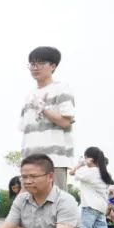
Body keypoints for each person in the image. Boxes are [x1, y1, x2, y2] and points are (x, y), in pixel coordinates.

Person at [20, 46, 75, 189]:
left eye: (40, 63)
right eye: (32, 64)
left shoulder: (61, 88)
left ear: (53, 66)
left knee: (55, 205)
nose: (35, 67)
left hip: (54, 160)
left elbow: (66, 122)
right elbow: (24, 130)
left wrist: (43, 109)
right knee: (28, 207)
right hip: (30, 161)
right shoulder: (29, 96)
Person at [71, 146, 114, 228]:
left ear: (90, 159)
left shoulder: (89, 171)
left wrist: (80, 164)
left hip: (90, 205)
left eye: (85, 157)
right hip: (101, 207)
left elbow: (72, 173)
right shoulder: (104, 173)